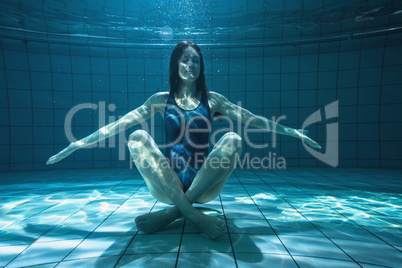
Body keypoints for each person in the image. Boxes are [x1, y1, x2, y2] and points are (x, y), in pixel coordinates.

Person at [47, 41, 321, 240]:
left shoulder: (213, 100)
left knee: (234, 137)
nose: (191, 65)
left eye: (196, 61)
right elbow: (119, 124)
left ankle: (172, 215)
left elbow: (253, 119)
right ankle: (191, 214)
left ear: (202, 67)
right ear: (175, 63)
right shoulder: (159, 100)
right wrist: (77, 144)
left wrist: (294, 132)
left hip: (205, 185)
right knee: (137, 136)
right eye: (185, 60)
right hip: (168, 185)